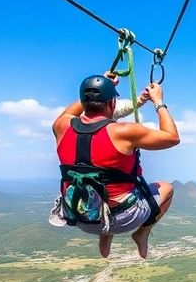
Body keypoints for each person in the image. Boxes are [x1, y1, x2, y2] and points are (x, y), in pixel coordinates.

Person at [51, 72, 179, 258]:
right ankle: (142, 233)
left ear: (83, 102)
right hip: (122, 218)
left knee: (101, 189)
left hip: (79, 216)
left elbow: (69, 113)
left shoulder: (61, 126)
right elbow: (172, 137)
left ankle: (105, 238)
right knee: (167, 188)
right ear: (112, 103)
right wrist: (158, 101)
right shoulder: (123, 132)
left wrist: (101, 85)